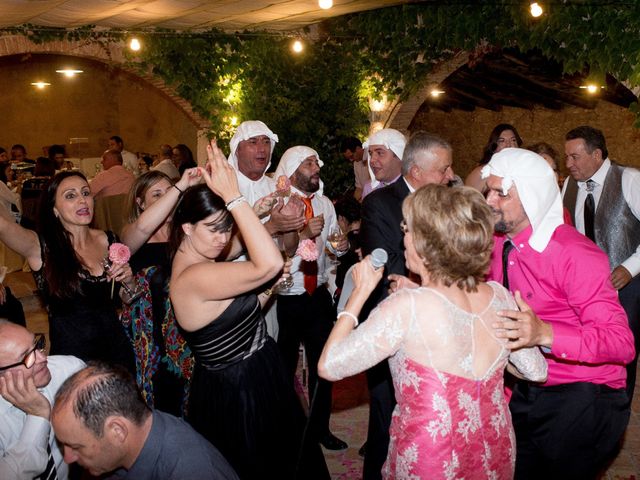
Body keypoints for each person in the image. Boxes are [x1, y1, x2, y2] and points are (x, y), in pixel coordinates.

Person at [319, 185, 547, 479]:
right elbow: (537, 370)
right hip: (494, 449)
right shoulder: (499, 296)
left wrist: (357, 296)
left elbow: (330, 365)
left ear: (429, 242)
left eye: (408, 230)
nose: (404, 239)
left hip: (433, 457)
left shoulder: (407, 307)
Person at [169, 140, 329, 479]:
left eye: (227, 227)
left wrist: (269, 288)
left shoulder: (203, 259)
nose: (222, 237)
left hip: (258, 370)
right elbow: (267, 264)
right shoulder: (193, 277)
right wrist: (235, 198)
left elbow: (243, 314)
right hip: (236, 389)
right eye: (213, 228)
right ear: (186, 227)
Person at [482, 147, 635, 479]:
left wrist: (544, 333)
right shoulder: (496, 245)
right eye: (488, 191)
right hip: (525, 385)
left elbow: (621, 342)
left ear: (533, 197)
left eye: (501, 193)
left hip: (586, 393)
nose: (489, 201)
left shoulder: (574, 253)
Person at [359, 130, 454, 479]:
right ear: (416, 171)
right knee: (387, 413)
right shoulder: (380, 203)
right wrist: (438, 283)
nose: (449, 177)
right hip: (396, 323)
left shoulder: (447, 201)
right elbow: (387, 266)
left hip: (440, 322)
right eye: (443, 170)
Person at [0, 171, 136, 371]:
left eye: (86, 193)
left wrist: (129, 281)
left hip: (117, 351)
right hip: (73, 361)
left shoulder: (109, 240)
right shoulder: (41, 247)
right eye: (71, 196)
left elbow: (126, 298)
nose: (82, 200)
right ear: (54, 209)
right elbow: (3, 227)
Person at [273, 146, 349, 451]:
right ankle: (287, 426)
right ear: (292, 170)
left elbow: (331, 251)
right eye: (308, 163)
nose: (316, 167)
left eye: (316, 162)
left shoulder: (324, 204)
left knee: (323, 365)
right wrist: (302, 231)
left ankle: (320, 428)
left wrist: (340, 246)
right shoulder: (277, 203)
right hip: (284, 296)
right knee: (283, 366)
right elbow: (272, 248)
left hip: (316, 294)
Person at [51, 362, 238, 480]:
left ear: (118, 431)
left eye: (75, 446)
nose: (68, 458)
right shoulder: (124, 450)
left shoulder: (193, 472)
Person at [562, 125, 640, 407]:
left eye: (575, 157)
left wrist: (629, 268)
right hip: (586, 286)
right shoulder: (569, 185)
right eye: (567, 157)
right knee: (589, 343)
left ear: (596, 154)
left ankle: (618, 405)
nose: (569, 164)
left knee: (623, 350)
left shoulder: (629, 179)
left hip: (629, 286)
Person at [120, 169, 201, 415]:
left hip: (188, 332)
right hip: (148, 340)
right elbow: (125, 297)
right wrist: (179, 186)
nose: (168, 200)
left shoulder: (187, 235)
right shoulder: (129, 236)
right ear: (140, 202)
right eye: (157, 195)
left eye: (171, 193)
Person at [0, 320, 85, 480]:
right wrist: (38, 414)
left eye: (36, 344)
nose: (42, 358)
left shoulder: (69, 371)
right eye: (26, 357)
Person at [465, 124, 522, 192]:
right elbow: (467, 200)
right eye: (502, 141)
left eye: (513, 140)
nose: (509, 145)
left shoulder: (524, 169)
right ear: (493, 147)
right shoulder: (482, 172)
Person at [361, 128, 406, 199]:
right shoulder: (369, 189)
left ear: (399, 155)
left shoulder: (414, 187)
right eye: (370, 154)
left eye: (379, 153)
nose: (372, 160)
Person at [340, 136, 369, 201]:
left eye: (351, 156)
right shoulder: (356, 163)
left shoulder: (372, 155)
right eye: (348, 158)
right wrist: (353, 203)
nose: (351, 160)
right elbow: (359, 188)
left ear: (358, 148)